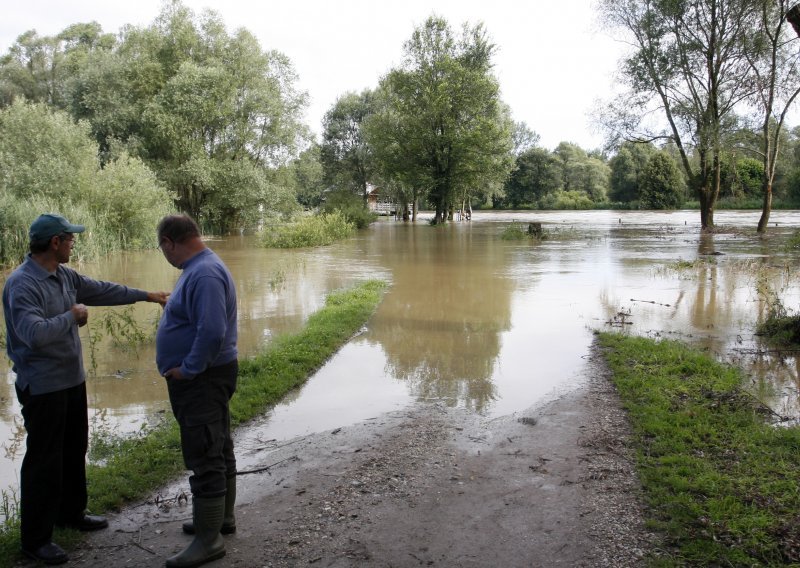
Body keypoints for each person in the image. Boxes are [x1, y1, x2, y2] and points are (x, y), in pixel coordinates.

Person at [2, 213, 169, 566]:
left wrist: (147, 295)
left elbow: (102, 290)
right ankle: (35, 540)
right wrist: (71, 317)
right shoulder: (22, 284)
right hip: (43, 387)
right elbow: (31, 335)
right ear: (55, 243)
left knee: (74, 448)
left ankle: (71, 514)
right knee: (43, 462)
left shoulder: (64, 275)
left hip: (71, 380)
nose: (74, 243)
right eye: (70, 238)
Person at [155, 214, 238, 568]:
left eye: (162, 248)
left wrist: (187, 370)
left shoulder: (203, 273)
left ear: (170, 242)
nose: (164, 254)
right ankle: (220, 520)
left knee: (205, 452)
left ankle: (209, 541)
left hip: (201, 379)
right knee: (218, 443)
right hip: (210, 375)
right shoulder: (201, 268)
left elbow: (212, 332)